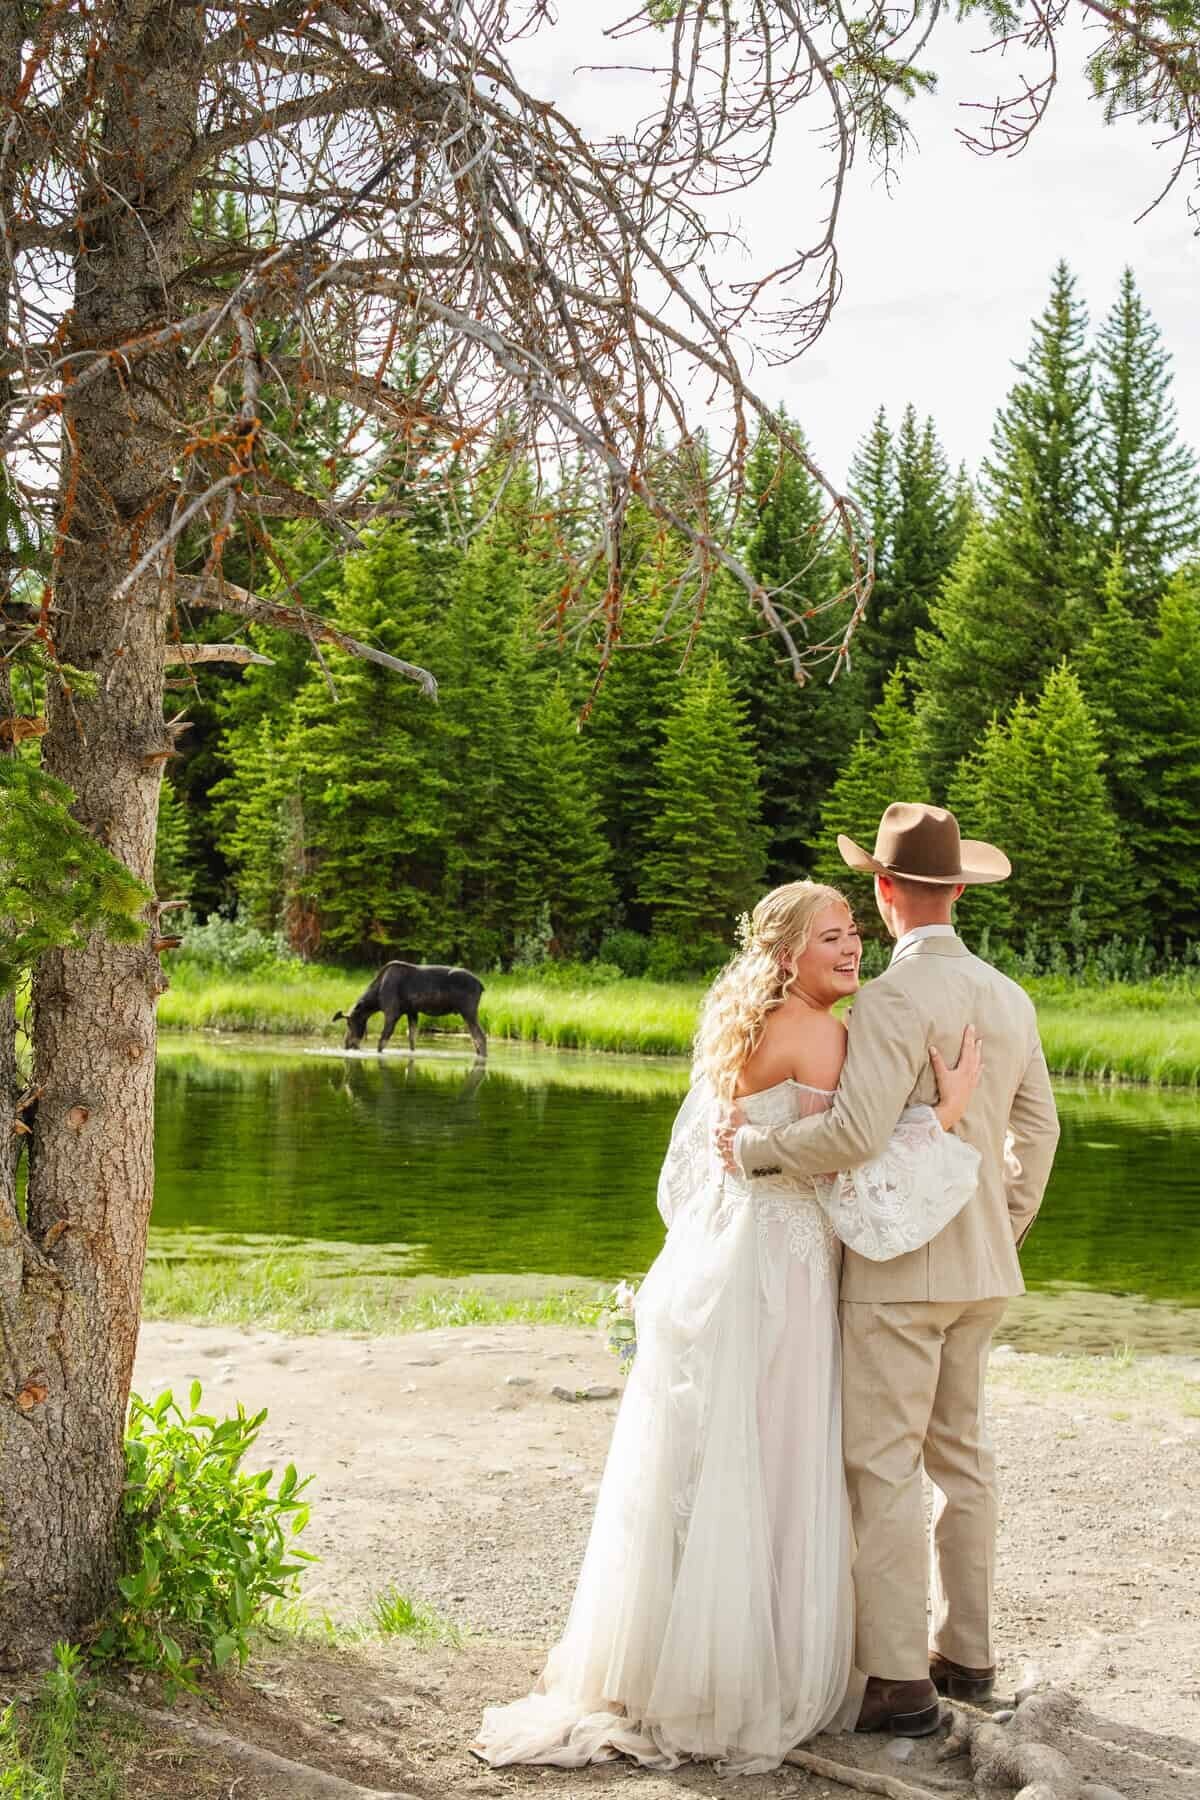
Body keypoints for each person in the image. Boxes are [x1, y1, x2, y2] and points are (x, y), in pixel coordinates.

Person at [476, 877, 983, 1775]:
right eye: (830, 935)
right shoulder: (825, 1034)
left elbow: (723, 1164)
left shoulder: (739, 1024)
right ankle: (748, 1675)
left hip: (726, 1255)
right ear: (788, 953)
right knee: (779, 1456)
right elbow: (853, 1164)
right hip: (782, 1273)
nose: (851, 945)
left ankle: (670, 1660)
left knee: (713, 1460)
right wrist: (943, 1114)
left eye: (855, 930)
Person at [718, 803, 1060, 1738]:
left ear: (883, 890)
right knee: (964, 1459)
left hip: (899, 1273)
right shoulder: (1012, 998)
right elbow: (1040, 1132)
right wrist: (1003, 1225)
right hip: (986, 1271)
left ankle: (901, 1682)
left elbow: (855, 1135)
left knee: (882, 1467)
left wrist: (753, 1151)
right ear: (956, 891)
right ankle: (971, 1653)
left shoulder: (893, 1002)